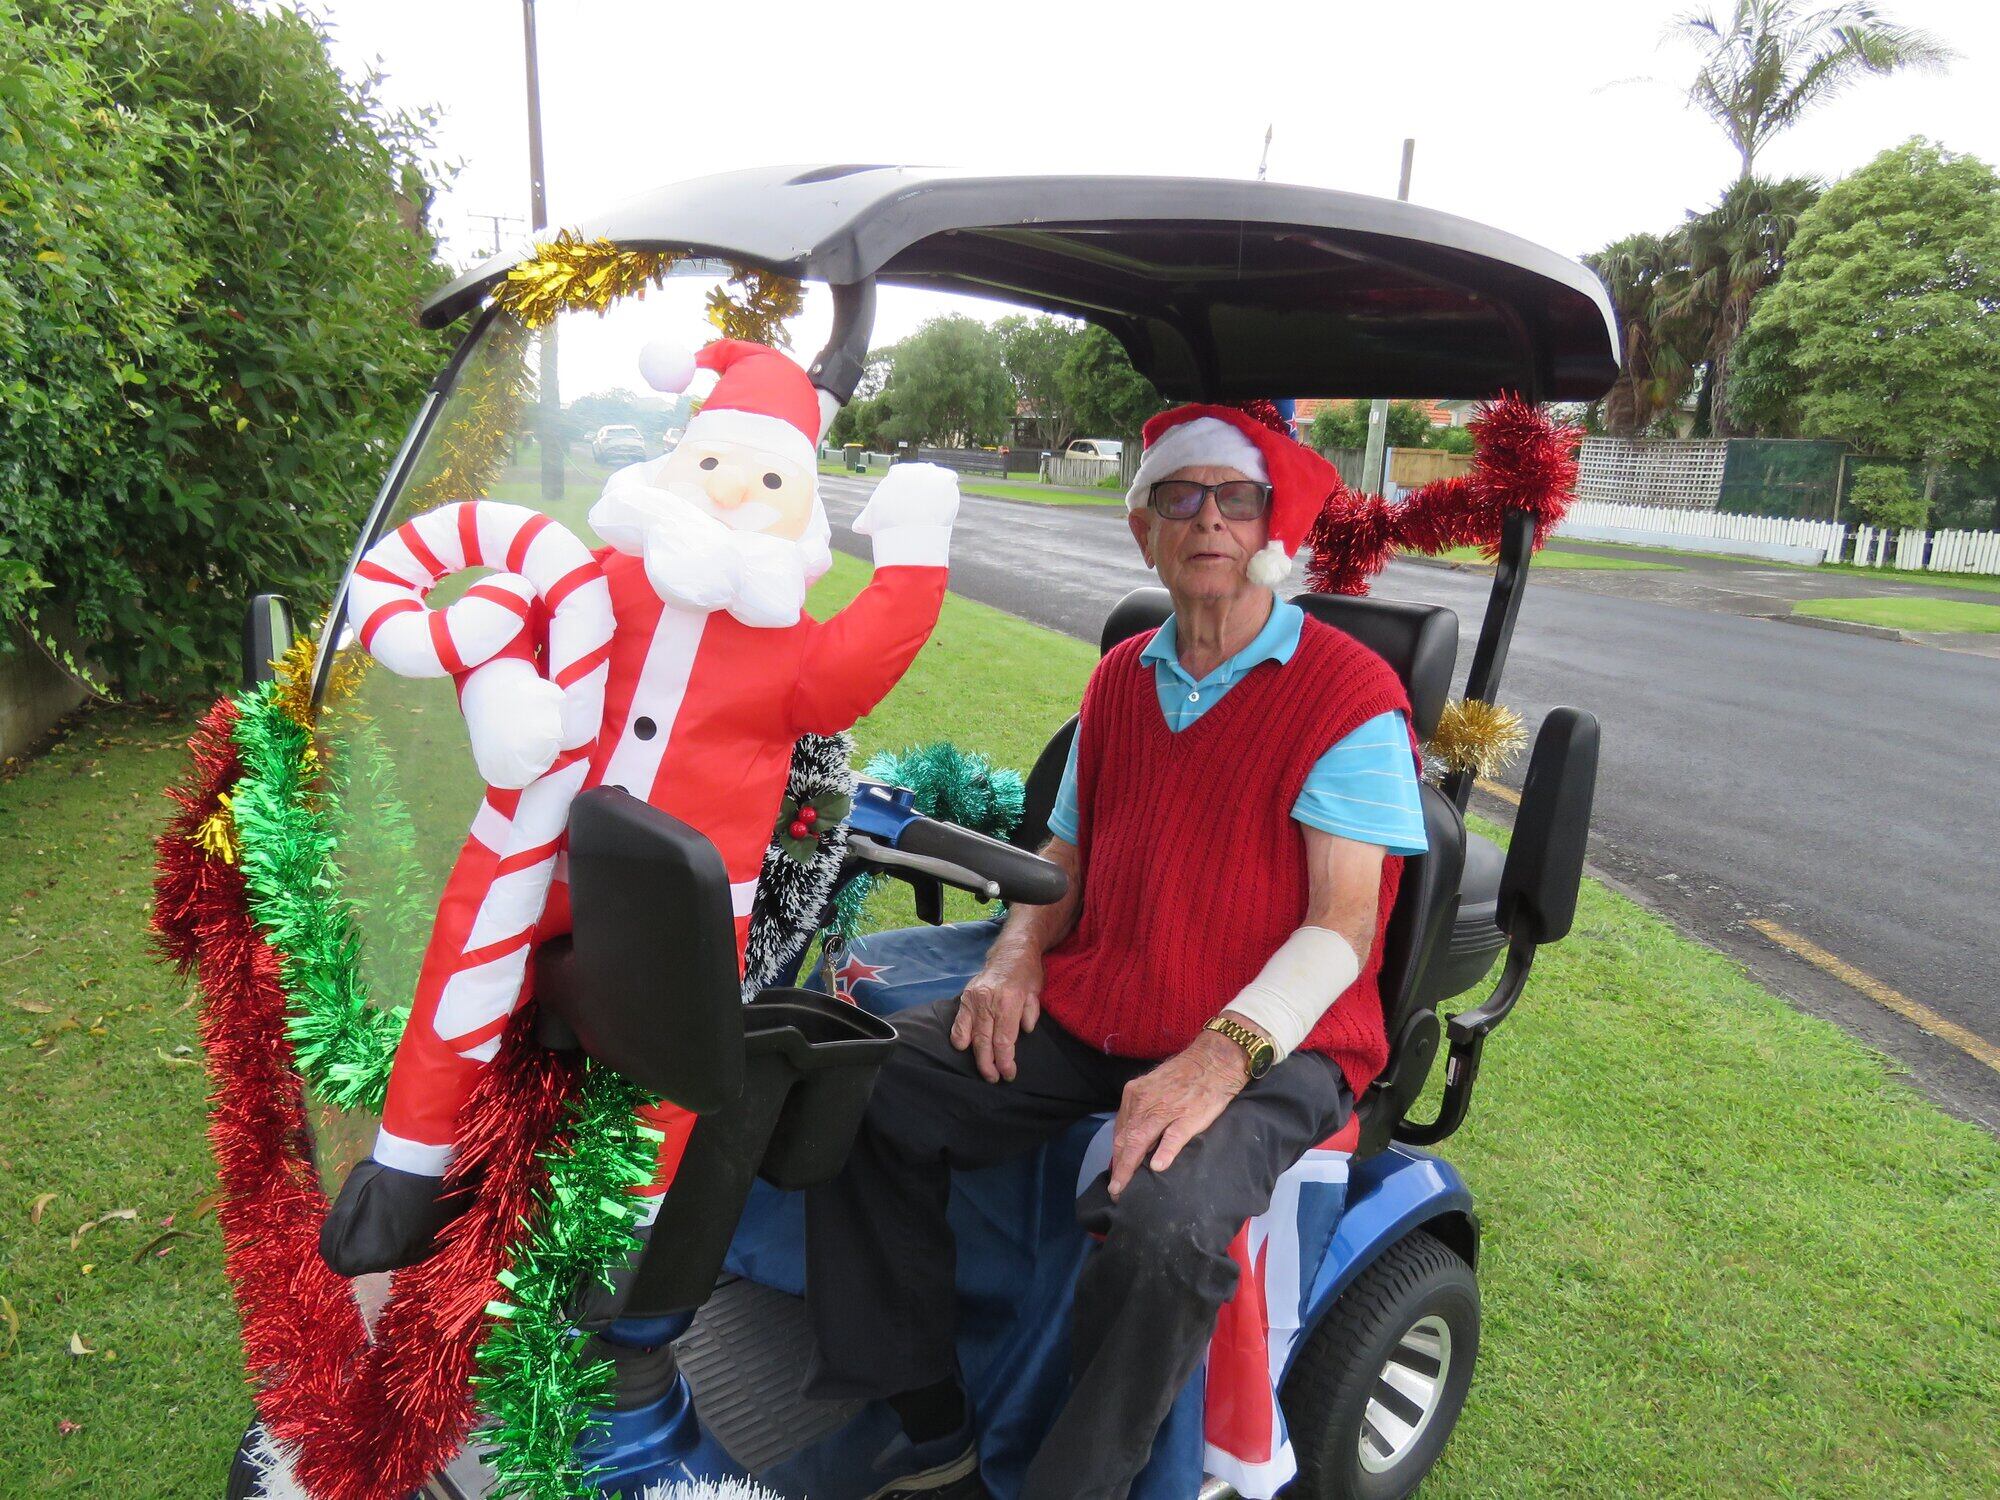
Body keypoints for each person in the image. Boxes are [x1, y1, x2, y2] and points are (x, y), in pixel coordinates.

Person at [803, 401, 1428, 1500]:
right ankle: (929, 1415)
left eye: (1234, 499)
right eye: (1178, 498)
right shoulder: (1123, 676)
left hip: (1274, 1043)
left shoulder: (1347, 696)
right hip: (1107, 1004)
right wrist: (1011, 956)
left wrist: (1219, 1053)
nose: (1208, 522)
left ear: (1265, 526)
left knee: (1164, 1233)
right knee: (855, 1085)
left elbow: (1342, 925)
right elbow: (1066, 848)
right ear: (1142, 529)